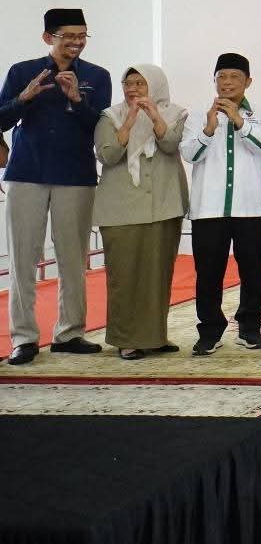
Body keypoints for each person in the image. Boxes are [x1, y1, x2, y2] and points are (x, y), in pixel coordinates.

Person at [1, 8, 111, 365]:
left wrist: (78, 100)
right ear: (49, 37)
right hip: (26, 173)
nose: (77, 42)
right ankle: (24, 338)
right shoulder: (21, 71)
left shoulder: (97, 76)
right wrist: (23, 99)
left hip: (75, 175)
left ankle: (69, 333)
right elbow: (1, 119)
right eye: (69, 36)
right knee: (23, 258)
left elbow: (101, 128)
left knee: (73, 257)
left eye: (82, 36)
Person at [93, 64, 188, 360]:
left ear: (155, 85)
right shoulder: (110, 117)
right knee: (124, 275)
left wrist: (154, 116)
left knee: (158, 274)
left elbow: (170, 145)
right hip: (121, 208)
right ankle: (126, 339)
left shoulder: (176, 114)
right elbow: (108, 155)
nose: (132, 89)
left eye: (140, 83)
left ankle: (154, 337)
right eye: (128, 83)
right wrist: (130, 121)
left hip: (164, 204)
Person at [181, 52, 261, 354]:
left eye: (235, 77)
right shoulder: (198, 114)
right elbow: (189, 154)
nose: (227, 82)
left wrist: (239, 121)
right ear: (215, 80)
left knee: (253, 272)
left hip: (251, 207)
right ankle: (209, 332)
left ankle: (250, 329)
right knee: (208, 274)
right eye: (222, 77)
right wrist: (209, 129)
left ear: (248, 81)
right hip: (209, 208)